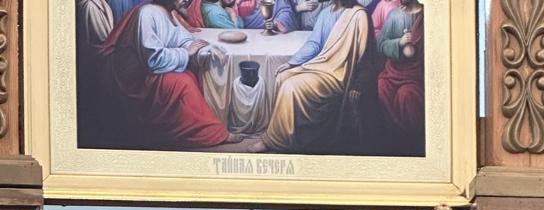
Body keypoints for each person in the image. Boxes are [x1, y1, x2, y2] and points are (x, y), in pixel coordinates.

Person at [100, 0, 252, 150]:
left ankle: (200, 127)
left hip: (152, 71)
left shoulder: (169, 14)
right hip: (137, 81)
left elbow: (185, 41)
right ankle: (210, 133)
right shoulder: (147, 13)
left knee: (192, 75)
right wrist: (186, 53)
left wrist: (206, 50)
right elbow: (153, 60)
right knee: (183, 82)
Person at [263, 0, 372, 152]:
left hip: (338, 75)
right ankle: (286, 134)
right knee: (282, 76)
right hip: (322, 65)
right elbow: (314, 44)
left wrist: (358, 84)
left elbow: (366, 56)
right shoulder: (325, 13)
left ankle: (275, 141)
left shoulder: (359, 15)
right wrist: (292, 63)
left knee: (291, 86)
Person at [377, 0, 423, 149]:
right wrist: (399, 43)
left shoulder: (428, 16)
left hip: (417, 74)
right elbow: (381, 44)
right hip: (394, 71)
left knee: (406, 95)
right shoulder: (395, 15)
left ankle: (410, 141)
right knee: (382, 85)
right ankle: (393, 138)